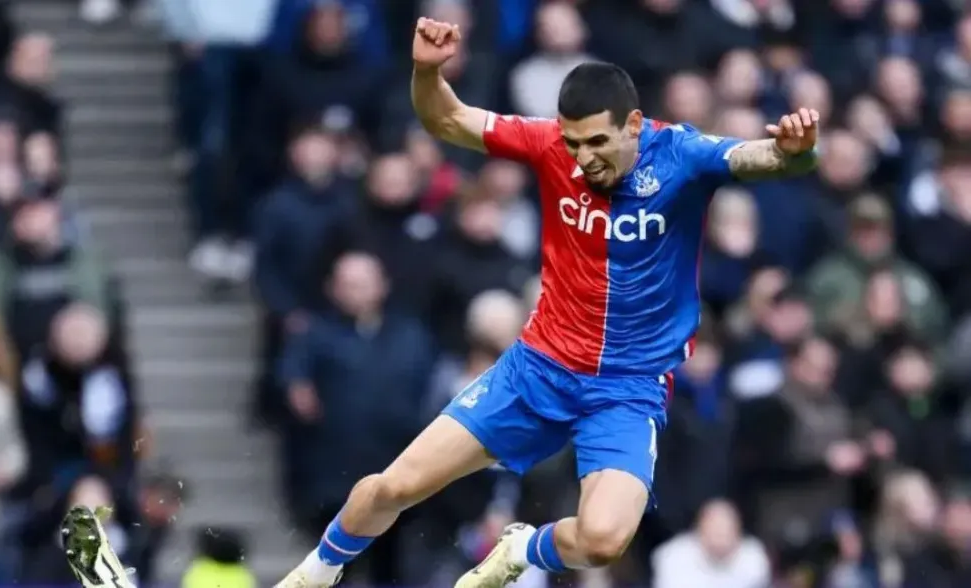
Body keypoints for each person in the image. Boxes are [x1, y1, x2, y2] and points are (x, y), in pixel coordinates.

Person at [307, 15, 824, 588]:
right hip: (539, 368)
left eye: (599, 142)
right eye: (575, 144)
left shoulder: (682, 154)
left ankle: (523, 547)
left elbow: (762, 158)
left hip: (627, 389)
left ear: (633, 124)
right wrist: (428, 72)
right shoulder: (550, 144)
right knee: (395, 486)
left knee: (603, 541)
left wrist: (796, 151)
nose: (584, 159)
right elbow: (445, 116)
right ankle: (315, 573)